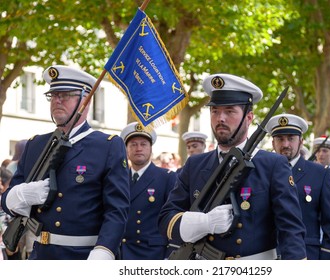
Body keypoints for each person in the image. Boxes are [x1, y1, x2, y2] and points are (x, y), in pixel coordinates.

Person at [158, 73, 307, 260]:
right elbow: (166, 220)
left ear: (249, 117)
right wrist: (203, 223)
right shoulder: (195, 164)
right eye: (215, 111)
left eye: (229, 111)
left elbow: (291, 230)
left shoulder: (273, 165)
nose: (220, 118)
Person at [1, 65, 130, 260]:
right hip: (40, 256)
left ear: (85, 100)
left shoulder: (108, 146)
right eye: (53, 95)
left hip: (84, 256)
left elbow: (117, 210)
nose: (57, 100)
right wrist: (20, 195)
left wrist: (104, 251)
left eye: (66, 95)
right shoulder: (36, 144)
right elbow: (7, 200)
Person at [266, 114, 330, 259]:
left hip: (307, 254)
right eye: (280, 139)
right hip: (268, 255)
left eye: (291, 138)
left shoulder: (320, 174)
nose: (285, 144)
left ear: (301, 142)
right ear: (273, 143)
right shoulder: (261, 172)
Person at [119, 122, 177, 260]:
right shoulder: (118, 178)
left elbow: (173, 217)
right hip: (121, 252)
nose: (138, 148)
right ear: (126, 149)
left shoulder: (166, 177)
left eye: (143, 144)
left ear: (151, 149)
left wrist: (171, 255)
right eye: (133, 144)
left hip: (152, 253)